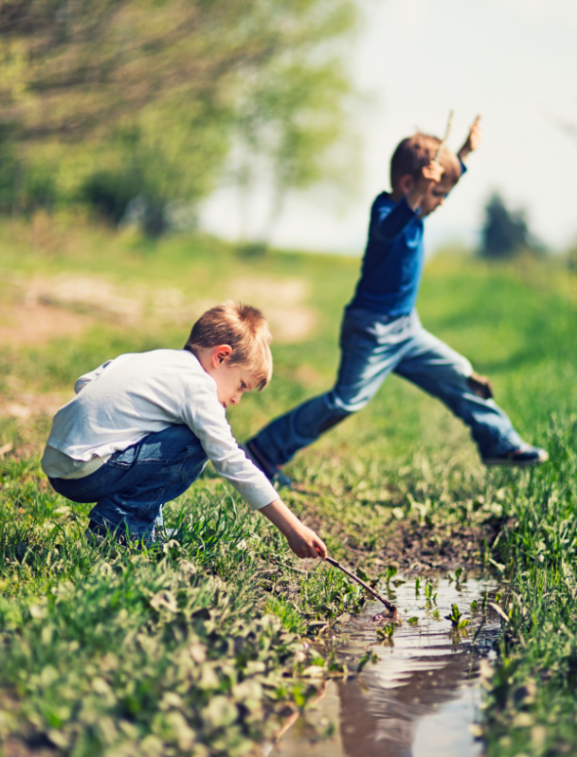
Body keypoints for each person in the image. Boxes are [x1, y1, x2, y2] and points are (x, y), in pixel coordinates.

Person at [244, 121, 547, 484]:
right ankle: (263, 451)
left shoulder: (417, 211)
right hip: (371, 331)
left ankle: (499, 442)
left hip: (407, 329)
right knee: (345, 402)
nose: (442, 202)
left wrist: (464, 153)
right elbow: (390, 229)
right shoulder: (386, 212)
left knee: (461, 376)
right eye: (438, 194)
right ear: (410, 185)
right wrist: (419, 193)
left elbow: (438, 186)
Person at [41, 302, 327, 559]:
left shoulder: (154, 359)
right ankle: (116, 528)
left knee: (176, 431)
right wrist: (292, 528)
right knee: (195, 441)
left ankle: (146, 527)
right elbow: (232, 462)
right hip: (87, 473)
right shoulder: (197, 386)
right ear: (221, 357)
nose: (237, 399)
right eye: (241, 385)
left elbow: (85, 383)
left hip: (59, 464)